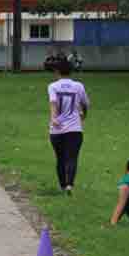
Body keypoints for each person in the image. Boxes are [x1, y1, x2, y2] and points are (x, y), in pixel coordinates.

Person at [48, 58, 89, 195]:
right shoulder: (79, 86)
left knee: (60, 158)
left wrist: (54, 118)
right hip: (74, 129)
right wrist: (84, 114)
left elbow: (53, 103)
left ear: (57, 71)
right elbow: (85, 103)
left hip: (57, 129)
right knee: (72, 157)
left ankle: (62, 186)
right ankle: (69, 185)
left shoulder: (53, 86)